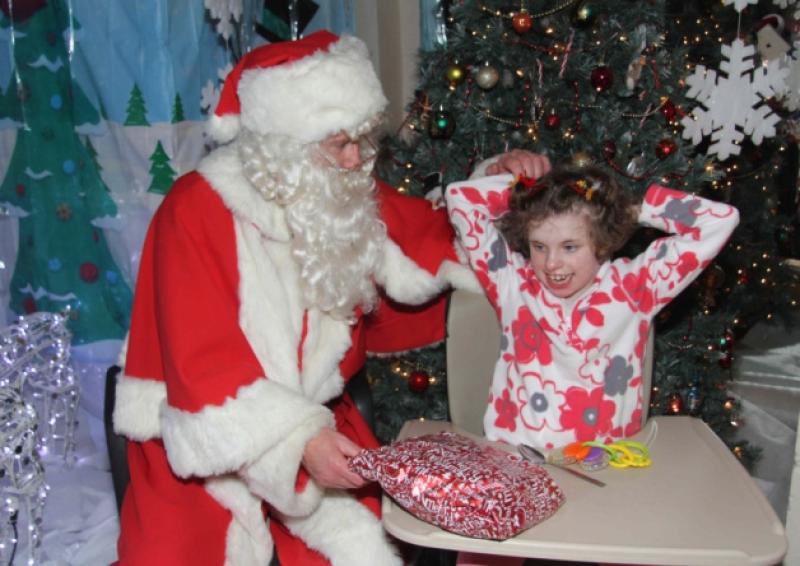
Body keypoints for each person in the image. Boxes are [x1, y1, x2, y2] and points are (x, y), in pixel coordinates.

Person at [111, 30, 535, 566]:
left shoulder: (339, 188)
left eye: (362, 138)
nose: (358, 158)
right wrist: (301, 441)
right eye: (339, 143)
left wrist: (493, 191)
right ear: (284, 148)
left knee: (371, 546)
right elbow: (202, 367)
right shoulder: (194, 210)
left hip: (317, 426)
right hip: (199, 443)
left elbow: (430, 238)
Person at [446, 153, 740, 451]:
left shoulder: (635, 287)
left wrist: (632, 210)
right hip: (514, 459)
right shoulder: (511, 282)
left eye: (569, 246)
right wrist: (523, 188)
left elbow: (720, 221)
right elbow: (458, 198)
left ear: (600, 241)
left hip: (603, 468)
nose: (551, 263)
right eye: (539, 246)